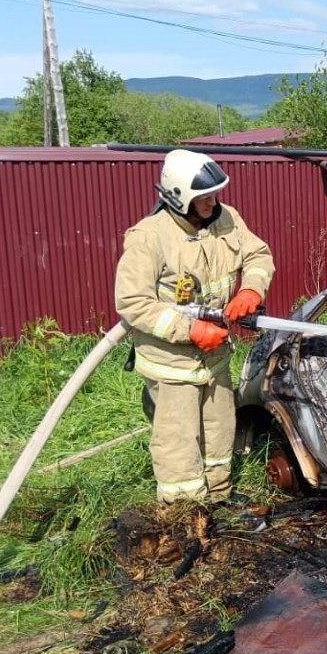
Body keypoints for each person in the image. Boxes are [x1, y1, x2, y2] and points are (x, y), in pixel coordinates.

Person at [114, 149, 275, 504]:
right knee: (178, 443)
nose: (212, 201)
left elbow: (258, 256)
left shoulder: (227, 219)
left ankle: (218, 499)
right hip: (172, 364)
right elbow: (132, 302)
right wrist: (190, 331)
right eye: (203, 196)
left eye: (215, 193)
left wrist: (250, 288)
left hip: (215, 358)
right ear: (178, 195)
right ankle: (185, 519)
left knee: (219, 431)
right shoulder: (149, 237)